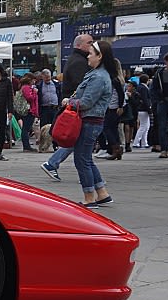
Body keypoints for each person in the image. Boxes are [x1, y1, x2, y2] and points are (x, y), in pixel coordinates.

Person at [64, 39, 114, 208]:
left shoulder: (99, 77)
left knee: (81, 160)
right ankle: (102, 193)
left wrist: (69, 102)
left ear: (100, 56)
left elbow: (86, 102)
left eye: (91, 54)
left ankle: (89, 198)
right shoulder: (97, 74)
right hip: (91, 122)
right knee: (87, 159)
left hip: (89, 122)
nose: (88, 57)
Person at [41, 34, 94, 181]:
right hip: (76, 107)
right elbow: (82, 87)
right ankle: (53, 163)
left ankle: (53, 163)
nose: (92, 45)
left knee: (78, 140)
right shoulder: (79, 62)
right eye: (89, 43)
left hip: (74, 105)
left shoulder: (77, 60)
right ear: (78, 45)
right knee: (79, 140)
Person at [19, 73, 40, 152]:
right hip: (29, 110)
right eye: (33, 80)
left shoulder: (25, 87)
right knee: (26, 128)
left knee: (26, 128)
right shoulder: (26, 87)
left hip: (30, 110)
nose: (34, 82)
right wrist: (34, 92)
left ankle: (26, 146)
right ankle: (26, 146)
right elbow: (29, 98)